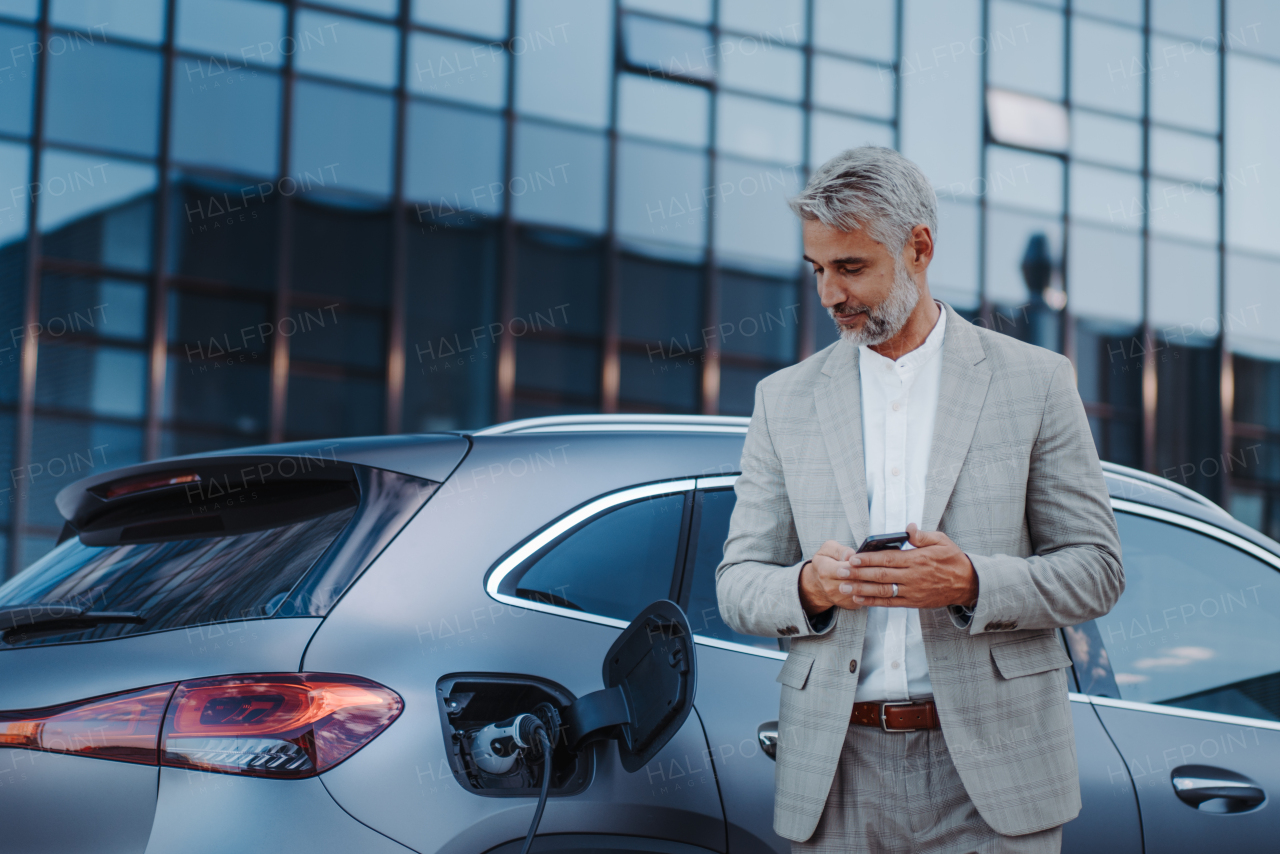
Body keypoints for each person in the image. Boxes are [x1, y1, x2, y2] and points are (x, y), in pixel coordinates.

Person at [714, 146, 1124, 854]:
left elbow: (1096, 569)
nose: (830, 295)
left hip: (993, 777)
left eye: (851, 268)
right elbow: (738, 584)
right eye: (818, 270)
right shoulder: (782, 401)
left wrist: (970, 581)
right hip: (836, 773)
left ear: (919, 247)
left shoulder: (1036, 382)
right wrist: (810, 587)